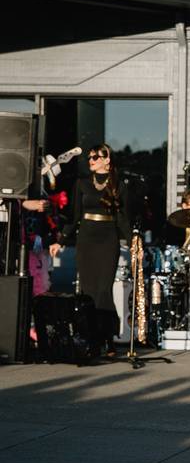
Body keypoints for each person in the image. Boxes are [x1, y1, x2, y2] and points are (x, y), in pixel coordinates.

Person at [49, 144, 130, 357]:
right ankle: (92, 339)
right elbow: (74, 216)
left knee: (104, 291)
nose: (91, 160)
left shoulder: (118, 185)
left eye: (96, 157)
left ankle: (109, 338)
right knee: (89, 292)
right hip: (86, 240)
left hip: (108, 239)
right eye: (90, 157)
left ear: (107, 160)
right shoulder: (82, 183)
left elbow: (122, 217)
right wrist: (62, 240)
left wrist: (133, 242)